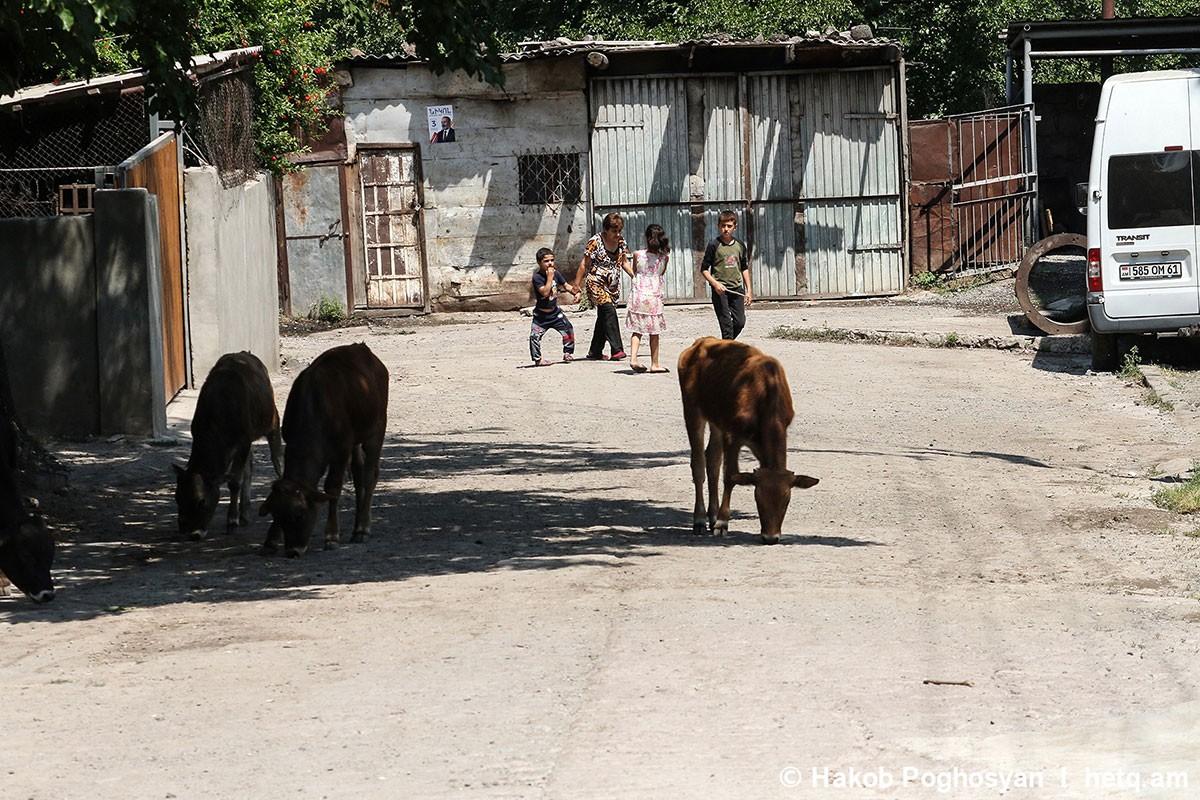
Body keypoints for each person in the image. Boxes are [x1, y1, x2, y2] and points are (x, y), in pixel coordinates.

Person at [576, 212, 628, 361]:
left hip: (611, 286)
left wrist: (635, 277)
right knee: (608, 310)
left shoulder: (620, 242)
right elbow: (584, 264)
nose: (617, 234)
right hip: (595, 283)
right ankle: (617, 349)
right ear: (606, 229)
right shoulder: (595, 241)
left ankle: (595, 351)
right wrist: (576, 285)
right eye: (614, 231)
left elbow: (624, 262)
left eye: (619, 231)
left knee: (603, 316)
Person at [622, 223, 669, 373]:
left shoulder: (637, 254)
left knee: (637, 330)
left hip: (638, 296)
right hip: (654, 296)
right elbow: (661, 274)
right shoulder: (664, 258)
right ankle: (655, 364)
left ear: (647, 238)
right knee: (654, 333)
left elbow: (635, 272)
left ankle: (633, 359)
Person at [700, 210, 753, 339]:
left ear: (735, 227)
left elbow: (744, 268)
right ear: (719, 226)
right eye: (723, 226)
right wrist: (715, 284)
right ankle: (727, 353)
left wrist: (749, 290)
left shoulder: (740, 245)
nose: (726, 229)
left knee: (740, 322)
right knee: (727, 326)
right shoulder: (714, 245)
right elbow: (704, 269)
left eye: (729, 226)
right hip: (720, 291)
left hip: (736, 289)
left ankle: (723, 346)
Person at [529, 247, 578, 366]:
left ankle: (568, 353)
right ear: (539, 262)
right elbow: (545, 293)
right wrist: (550, 278)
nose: (550, 263)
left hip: (555, 313)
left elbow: (566, 285)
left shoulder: (556, 274)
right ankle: (538, 359)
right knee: (534, 337)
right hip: (541, 315)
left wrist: (575, 292)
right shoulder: (537, 277)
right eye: (546, 261)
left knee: (568, 329)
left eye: (552, 260)